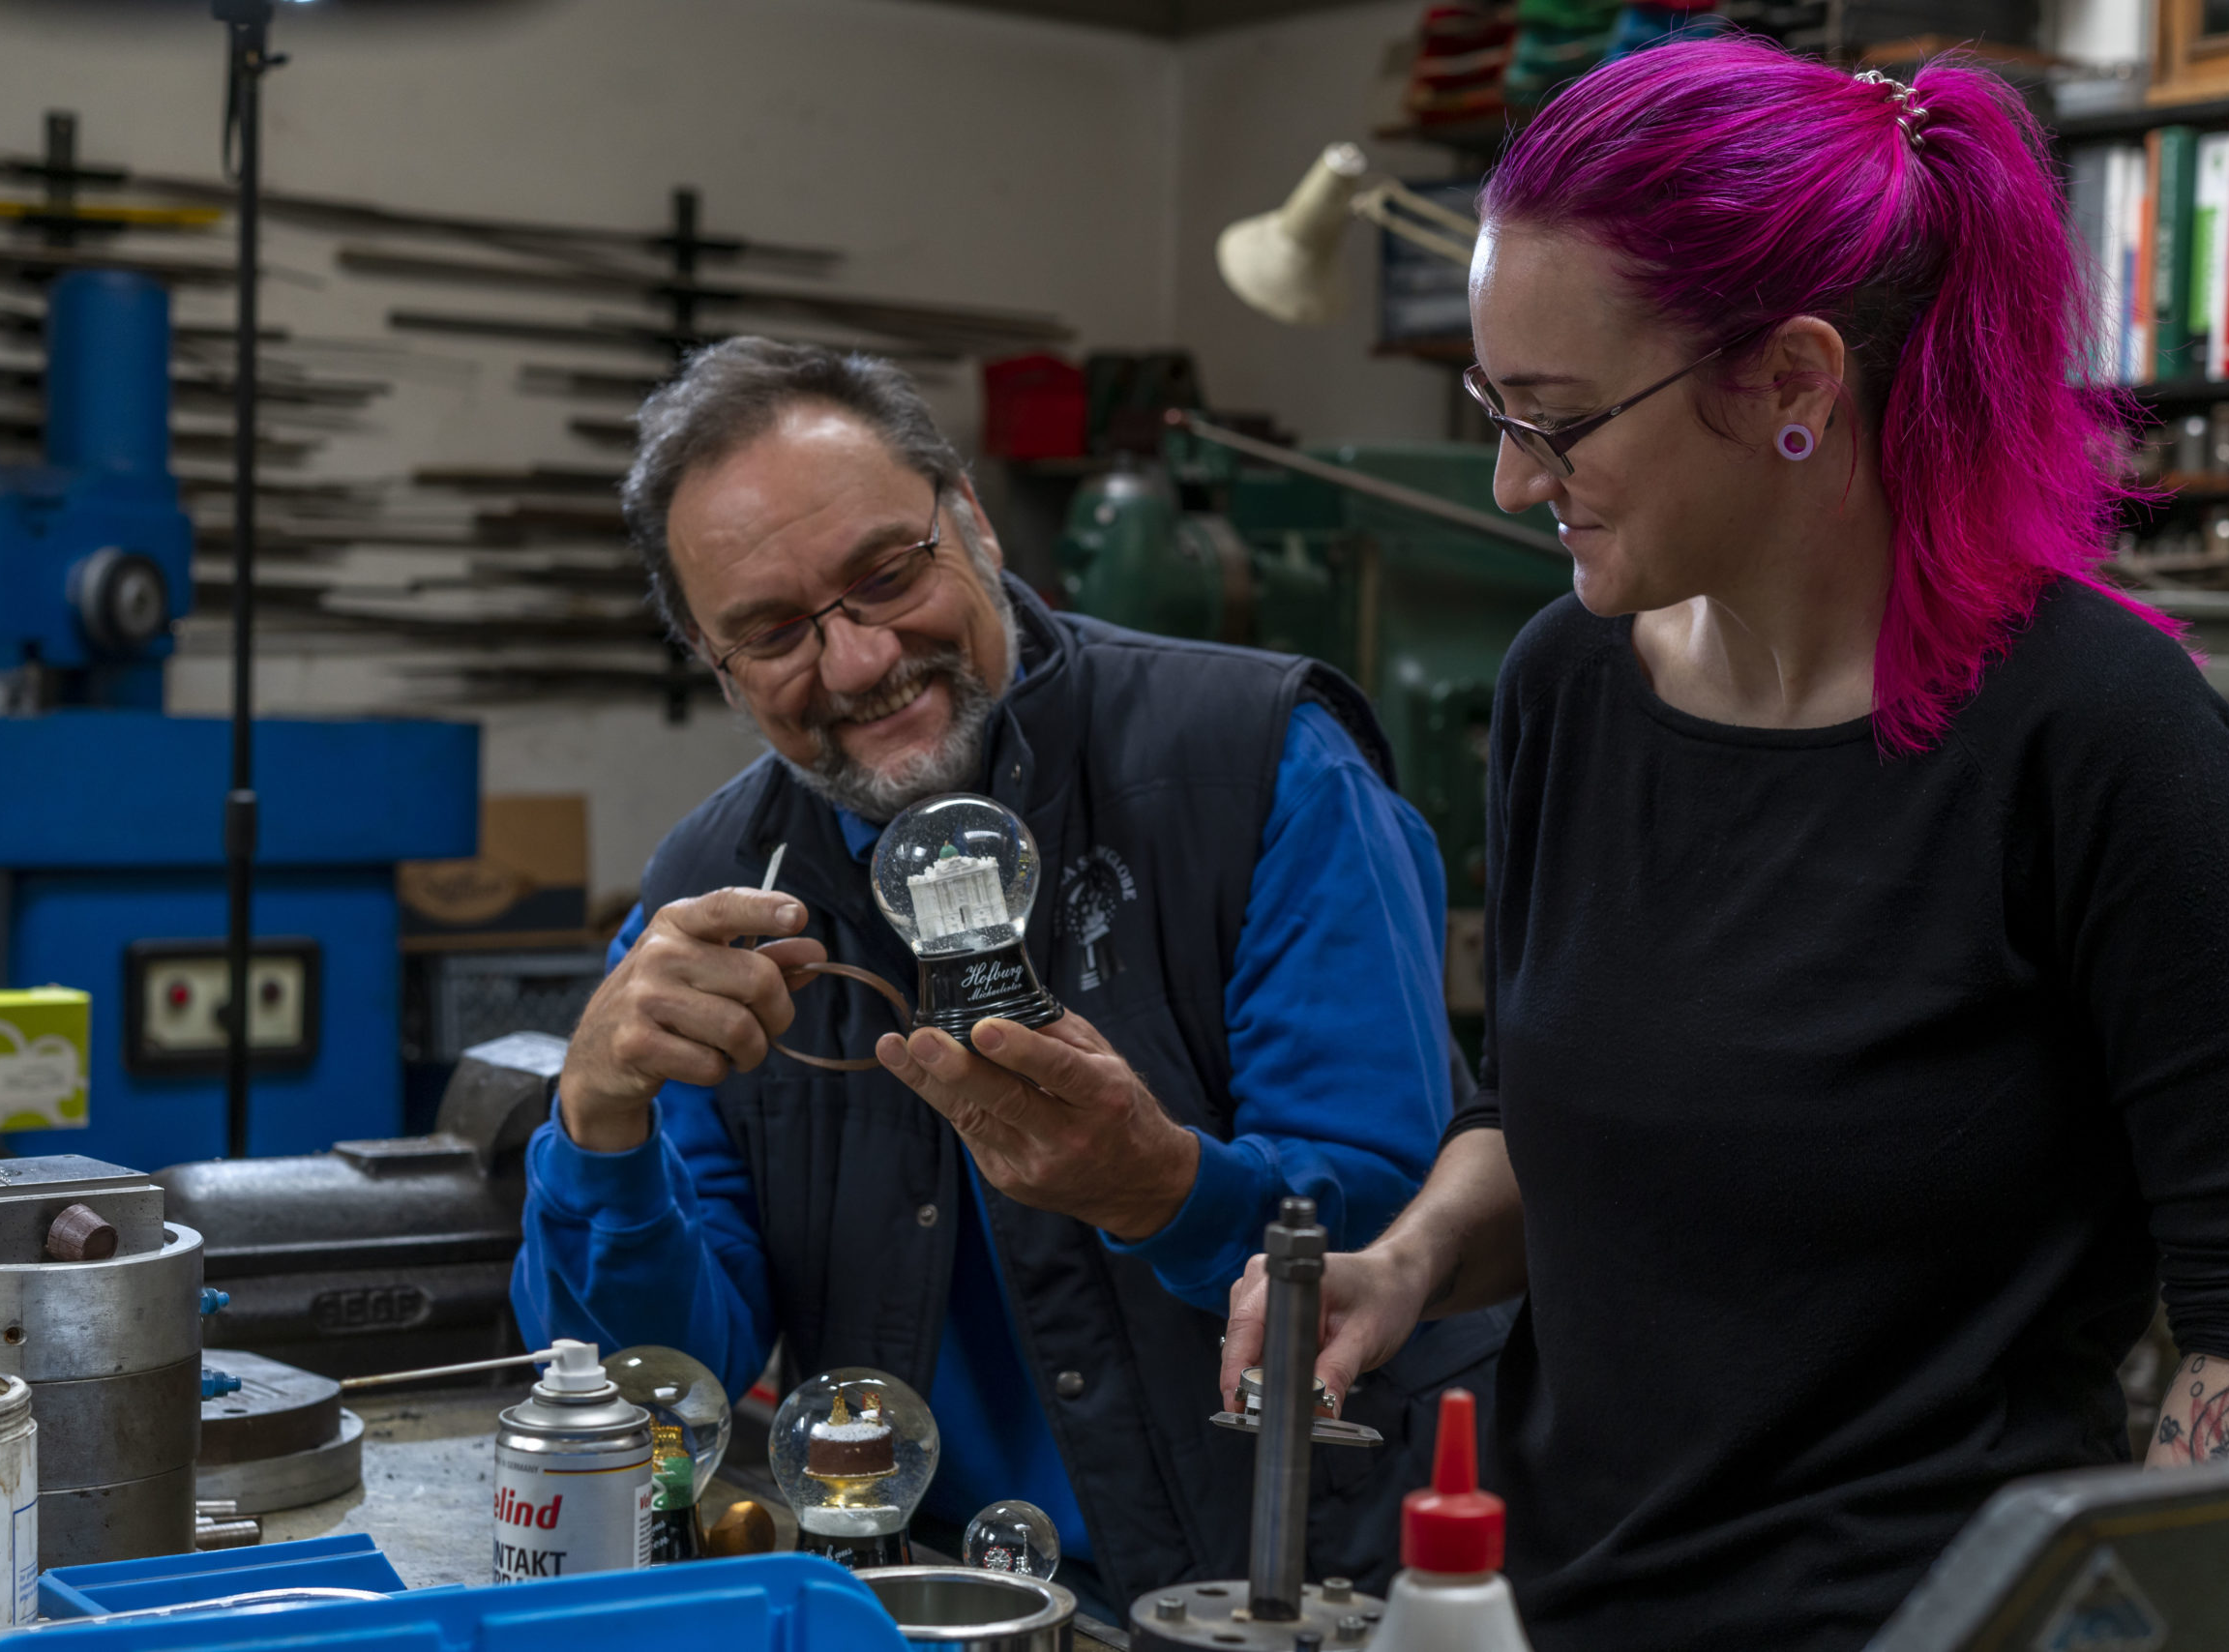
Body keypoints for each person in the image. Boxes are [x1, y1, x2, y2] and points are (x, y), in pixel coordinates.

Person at [1220, 40, 2229, 1652]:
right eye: (1497, 411)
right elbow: (1543, 1118)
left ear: (1792, 384)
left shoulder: (2104, 737)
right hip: (1552, 1612)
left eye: (1557, 423)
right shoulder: (1567, 684)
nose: (1512, 479)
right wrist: (1409, 1261)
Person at [510, 340, 1505, 1614]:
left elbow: (1391, 1234)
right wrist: (597, 1114)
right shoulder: (710, 894)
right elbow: (659, 1381)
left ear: (969, 519)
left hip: (1299, 1595)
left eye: (886, 575)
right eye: (772, 633)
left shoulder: (1260, 768)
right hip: (935, 1607)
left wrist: (1164, 1192)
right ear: (720, 666)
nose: (860, 662)